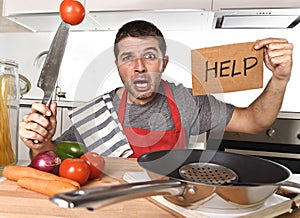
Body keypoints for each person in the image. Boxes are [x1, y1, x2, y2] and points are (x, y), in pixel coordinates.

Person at [19, 20, 293, 159]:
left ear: (163, 63)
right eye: (128, 57)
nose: (138, 66)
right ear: (118, 66)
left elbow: (256, 122)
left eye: (149, 56)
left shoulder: (189, 101)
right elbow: (52, 159)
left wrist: (279, 79)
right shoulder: (96, 113)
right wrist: (40, 141)